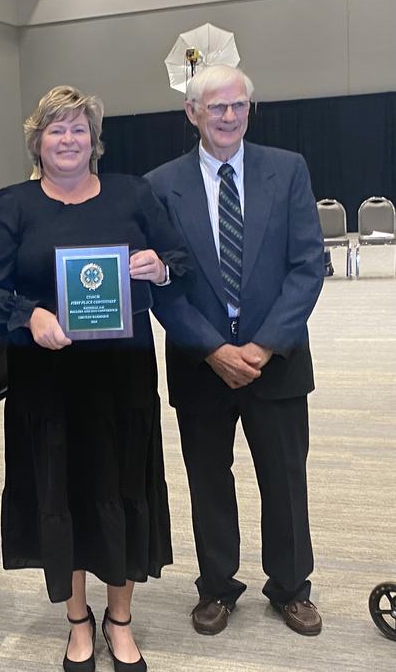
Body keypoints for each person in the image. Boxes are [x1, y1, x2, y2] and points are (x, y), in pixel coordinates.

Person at [0, 85, 192, 672]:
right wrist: (29, 315)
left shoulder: (131, 192)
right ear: (37, 142)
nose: (68, 139)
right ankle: (77, 620)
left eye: (78, 129)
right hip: (47, 382)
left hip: (122, 379)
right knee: (58, 494)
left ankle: (120, 619)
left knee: (121, 491)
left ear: (94, 140)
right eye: (55, 129)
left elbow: (180, 261)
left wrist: (159, 267)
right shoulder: (12, 205)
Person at [146, 64, 324, 637]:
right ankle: (217, 586)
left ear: (250, 110)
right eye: (216, 107)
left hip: (278, 360)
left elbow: (306, 268)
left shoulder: (287, 170)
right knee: (208, 480)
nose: (228, 117)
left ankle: (292, 586)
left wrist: (264, 345)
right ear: (192, 113)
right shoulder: (160, 185)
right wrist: (213, 349)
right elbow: (161, 284)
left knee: (285, 479)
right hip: (202, 367)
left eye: (238, 106)